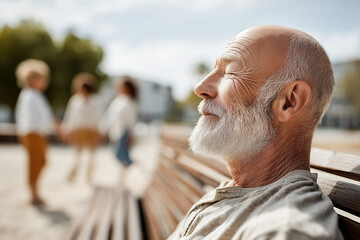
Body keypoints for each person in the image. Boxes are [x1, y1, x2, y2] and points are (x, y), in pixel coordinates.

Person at [169, 25, 343, 239]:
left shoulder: (287, 227)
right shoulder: (240, 188)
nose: (200, 87)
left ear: (289, 102)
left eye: (230, 72)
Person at [15, 59, 58, 205]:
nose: (45, 81)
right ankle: (33, 194)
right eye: (43, 78)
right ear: (33, 79)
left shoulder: (36, 95)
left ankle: (35, 190)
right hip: (31, 133)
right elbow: (38, 118)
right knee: (35, 162)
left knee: (42, 161)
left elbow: (45, 116)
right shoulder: (29, 95)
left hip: (38, 133)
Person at [61, 73, 103, 182]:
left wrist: (98, 131)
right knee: (77, 154)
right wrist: (67, 130)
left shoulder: (95, 100)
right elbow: (70, 116)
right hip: (78, 130)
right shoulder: (75, 100)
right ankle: (73, 174)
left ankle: (89, 176)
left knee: (91, 155)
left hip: (90, 130)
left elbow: (98, 117)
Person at [98, 76, 138, 183]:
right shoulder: (117, 101)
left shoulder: (130, 102)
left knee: (121, 155)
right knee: (117, 155)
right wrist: (102, 129)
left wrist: (131, 135)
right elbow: (109, 116)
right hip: (115, 132)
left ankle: (121, 179)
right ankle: (121, 177)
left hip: (124, 133)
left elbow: (131, 120)